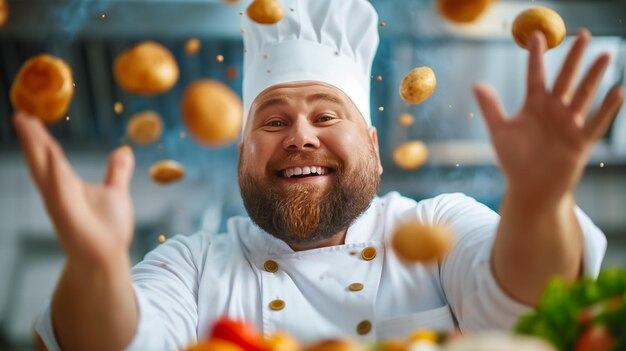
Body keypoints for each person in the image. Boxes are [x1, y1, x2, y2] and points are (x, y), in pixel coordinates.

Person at [13, 0, 623, 350]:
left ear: (377, 150)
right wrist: (95, 265)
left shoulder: (436, 224)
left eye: (326, 115)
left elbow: (518, 309)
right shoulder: (195, 265)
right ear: (242, 156)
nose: (301, 135)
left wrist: (539, 203)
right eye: (272, 121)